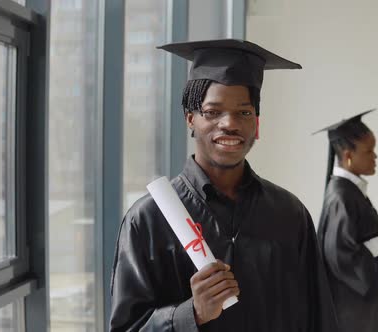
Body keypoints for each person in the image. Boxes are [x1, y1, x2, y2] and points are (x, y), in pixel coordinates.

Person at [110, 39, 338, 332]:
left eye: (244, 112)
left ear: (256, 123)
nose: (229, 123)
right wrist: (190, 314)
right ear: (190, 118)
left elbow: (320, 318)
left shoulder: (289, 214)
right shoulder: (149, 219)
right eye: (213, 112)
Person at [315, 109, 378, 332]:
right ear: (348, 156)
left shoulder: (348, 192)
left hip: (356, 305)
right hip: (350, 308)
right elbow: (340, 255)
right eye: (369, 151)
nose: (375, 157)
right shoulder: (341, 196)